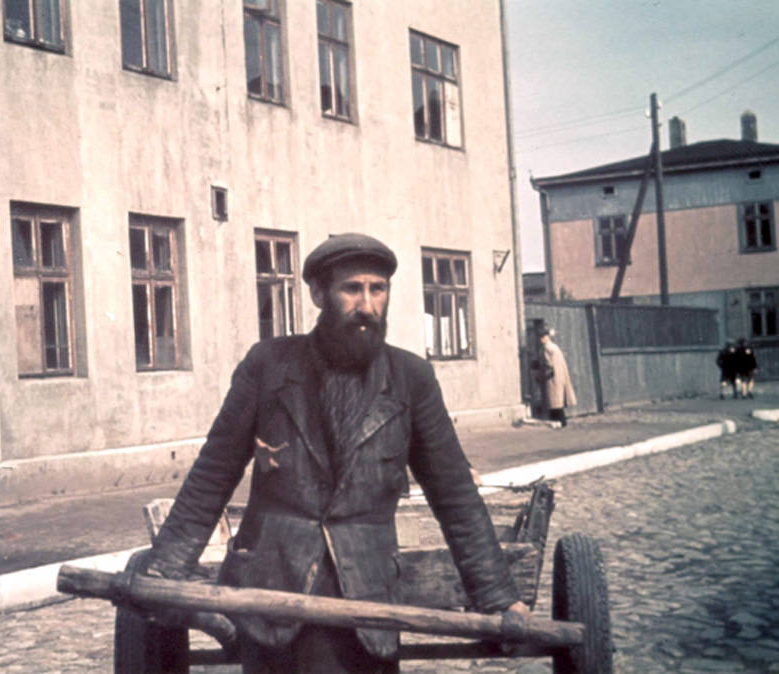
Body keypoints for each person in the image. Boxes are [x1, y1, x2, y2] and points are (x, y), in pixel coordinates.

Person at [144, 233, 530, 673]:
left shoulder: (411, 379)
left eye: (377, 289)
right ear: (318, 294)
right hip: (272, 600)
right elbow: (212, 475)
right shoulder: (269, 366)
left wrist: (499, 598)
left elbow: (455, 496)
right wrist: (165, 571)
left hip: (367, 606)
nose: (367, 305)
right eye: (352, 289)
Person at [539, 327, 577, 427]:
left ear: (547, 337)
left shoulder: (546, 348)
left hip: (553, 376)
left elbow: (548, 364)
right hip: (560, 375)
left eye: (543, 337)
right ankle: (561, 421)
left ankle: (557, 421)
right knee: (558, 400)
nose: (541, 339)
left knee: (553, 400)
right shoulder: (555, 347)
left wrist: (542, 374)